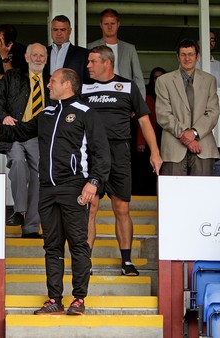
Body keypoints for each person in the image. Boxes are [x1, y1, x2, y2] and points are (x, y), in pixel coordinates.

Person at [0, 68, 111, 315]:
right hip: (47, 190)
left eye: (52, 82)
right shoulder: (46, 114)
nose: (47, 86)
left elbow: (102, 153)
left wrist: (93, 182)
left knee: (78, 245)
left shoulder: (86, 113)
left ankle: (79, 299)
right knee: (52, 246)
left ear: (67, 84)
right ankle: (54, 298)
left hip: (74, 187)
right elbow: (19, 131)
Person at [81, 45, 162, 276]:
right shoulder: (85, 87)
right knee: (90, 207)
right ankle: (85, 262)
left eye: (92, 61)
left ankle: (126, 261)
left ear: (107, 63)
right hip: (92, 153)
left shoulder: (127, 86)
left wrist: (155, 153)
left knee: (121, 207)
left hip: (119, 152)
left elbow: (145, 121)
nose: (88, 66)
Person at [0, 42, 48, 237]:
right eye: (35, 55)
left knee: (39, 177)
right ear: (26, 57)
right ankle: (20, 211)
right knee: (17, 163)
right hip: (14, 132)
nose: (38, 58)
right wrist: (3, 117)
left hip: (37, 135)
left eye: (42, 55)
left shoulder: (51, 81)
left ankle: (31, 227)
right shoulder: (13, 76)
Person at [156, 39, 220, 176]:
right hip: (174, 148)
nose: (187, 58)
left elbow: (213, 112)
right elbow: (163, 114)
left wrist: (194, 133)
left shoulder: (209, 80)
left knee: (202, 195)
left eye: (190, 54)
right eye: (183, 54)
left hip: (203, 146)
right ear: (177, 56)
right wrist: (186, 134)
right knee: (174, 195)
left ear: (197, 56)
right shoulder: (164, 81)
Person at [87, 8, 146, 98]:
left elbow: (138, 79)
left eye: (112, 23)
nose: (109, 27)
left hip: (124, 93)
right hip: (98, 94)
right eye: (106, 24)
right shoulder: (90, 47)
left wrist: (139, 104)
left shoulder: (129, 48)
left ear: (118, 24)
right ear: (101, 25)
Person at [131, 67, 166, 195]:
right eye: (156, 77)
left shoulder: (166, 94)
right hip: (147, 139)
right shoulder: (147, 94)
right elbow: (144, 121)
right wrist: (141, 141)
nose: (158, 80)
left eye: (161, 77)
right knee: (144, 167)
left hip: (163, 136)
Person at [44, 15, 89, 84]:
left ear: (70, 31)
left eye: (63, 30)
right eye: (55, 29)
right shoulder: (43, 53)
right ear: (51, 31)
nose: (59, 33)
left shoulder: (83, 54)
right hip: (47, 94)